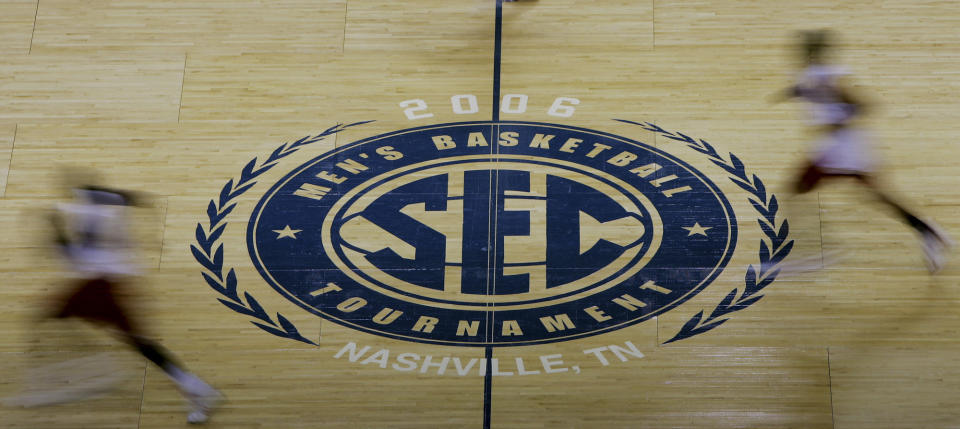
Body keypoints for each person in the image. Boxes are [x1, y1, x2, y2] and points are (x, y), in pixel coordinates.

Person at [773, 29, 953, 273]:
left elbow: (863, 105)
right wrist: (793, 93)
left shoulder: (824, 76)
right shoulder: (814, 75)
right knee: (875, 195)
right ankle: (928, 231)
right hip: (841, 147)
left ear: (811, 51)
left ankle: (814, 252)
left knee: (793, 191)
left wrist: (834, 123)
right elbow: (815, 93)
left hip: (840, 149)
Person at [42, 182, 221, 424]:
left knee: (57, 317)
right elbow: (133, 198)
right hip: (112, 282)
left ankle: (198, 390)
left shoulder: (83, 212)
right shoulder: (112, 209)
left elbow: (73, 252)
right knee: (139, 343)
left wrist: (54, 227)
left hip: (101, 285)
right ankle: (196, 388)